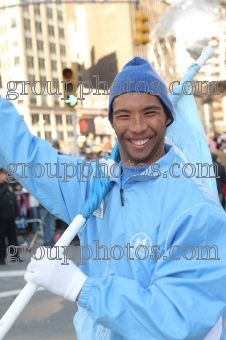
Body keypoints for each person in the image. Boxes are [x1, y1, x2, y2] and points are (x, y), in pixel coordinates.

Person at [0, 57, 226, 339]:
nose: (138, 126)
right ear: (111, 121)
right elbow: (27, 156)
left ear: (168, 116)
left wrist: (79, 287)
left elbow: (176, 318)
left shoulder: (197, 210)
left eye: (150, 112)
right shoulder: (95, 183)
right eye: (123, 115)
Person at [0, 169, 20, 264]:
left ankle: (15, 256)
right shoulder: (3, 188)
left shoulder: (9, 185)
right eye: (4, 175)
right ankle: (1, 258)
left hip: (10, 216)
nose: (6, 176)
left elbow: (13, 199)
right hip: (1, 217)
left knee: (13, 237)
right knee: (1, 238)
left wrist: (16, 212)